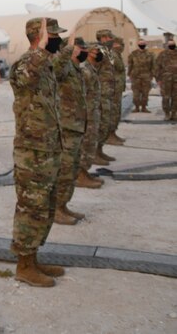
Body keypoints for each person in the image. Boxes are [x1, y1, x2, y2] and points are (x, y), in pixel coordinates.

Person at [10, 17, 67, 288]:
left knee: (44, 207)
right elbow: (25, 77)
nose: (57, 39)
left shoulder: (46, 66)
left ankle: (33, 258)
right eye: (53, 35)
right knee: (30, 208)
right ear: (39, 36)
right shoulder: (25, 64)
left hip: (48, 149)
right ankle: (24, 264)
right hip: (31, 152)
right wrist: (41, 49)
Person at [52, 36, 89, 224]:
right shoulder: (63, 68)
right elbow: (57, 70)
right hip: (66, 128)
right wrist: (66, 51)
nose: (83, 50)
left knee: (72, 169)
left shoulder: (77, 70)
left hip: (77, 126)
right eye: (79, 47)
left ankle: (64, 204)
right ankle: (56, 208)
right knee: (64, 170)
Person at [76, 43, 105, 189]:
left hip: (92, 111)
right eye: (96, 51)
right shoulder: (84, 69)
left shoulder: (91, 68)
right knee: (85, 144)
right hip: (86, 113)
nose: (99, 54)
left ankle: (84, 172)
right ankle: (80, 175)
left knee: (90, 143)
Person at [94, 29, 118, 162]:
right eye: (108, 37)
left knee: (106, 123)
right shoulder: (98, 51)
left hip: (108, 92)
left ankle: (100, 150)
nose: (111, 40)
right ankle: (94, 154)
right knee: (100, 124)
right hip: (100, 93)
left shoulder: (108, 52)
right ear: (102, 38)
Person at [128, 39, 156, 112]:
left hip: (146, 76)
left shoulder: (150, 54)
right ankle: (136, 107)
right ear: (138, 44)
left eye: (143, 43)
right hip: (135, 76)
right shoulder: (133, 54)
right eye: (140, 43)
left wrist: (152, 75)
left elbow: (153, 65)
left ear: (145, 44)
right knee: (136, 93)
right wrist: (129, 74)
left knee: (145, 93)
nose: (142, 45)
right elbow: (130, 65)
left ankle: (144, 107)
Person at [155, 39, 177, 120]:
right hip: (165, 79)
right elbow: (157, 67)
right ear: (167, 45)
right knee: (166, 97)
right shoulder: (162, 54)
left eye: (173, 44)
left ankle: (174, 113)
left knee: (176, 97)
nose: (171, 45)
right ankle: (167, 113)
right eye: (170, 44)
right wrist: (158, 79)